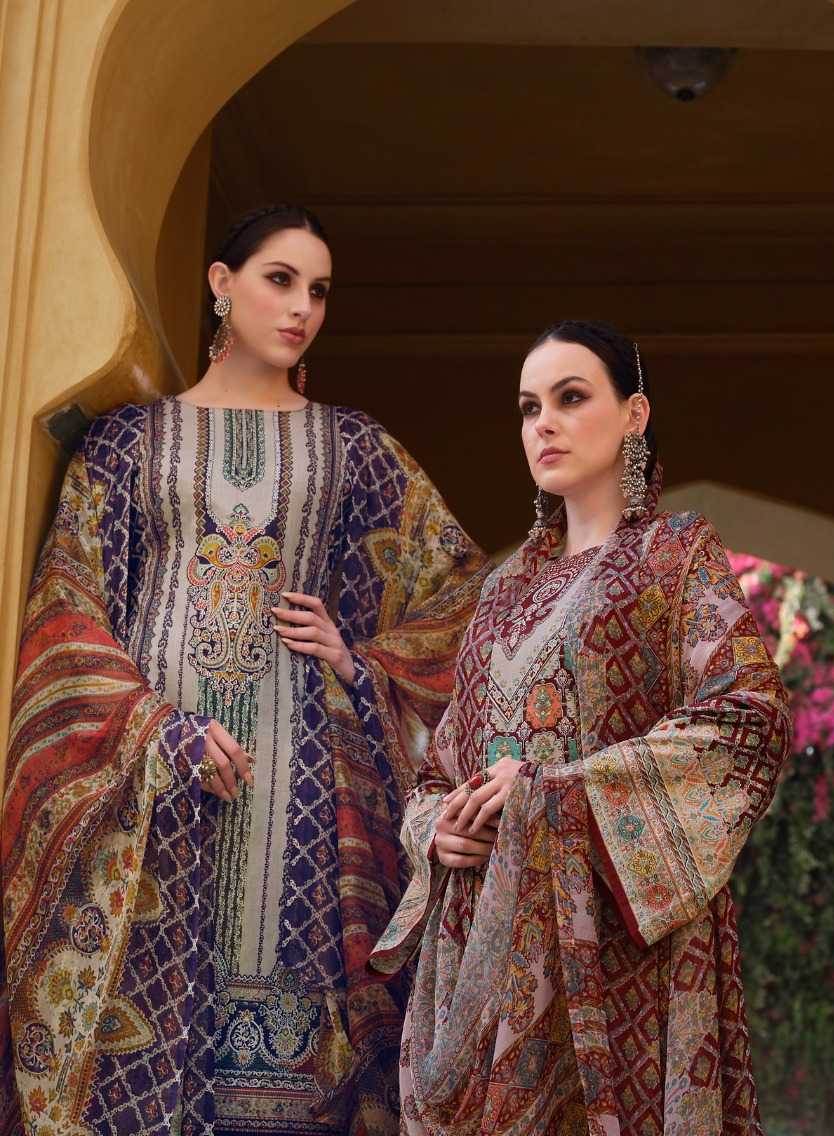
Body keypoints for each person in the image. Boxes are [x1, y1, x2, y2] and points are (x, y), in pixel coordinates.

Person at [0, 204, 488, 1134]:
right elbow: (68, 601)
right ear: (221, 284)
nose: (303, 307)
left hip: (300, 799)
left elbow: (464, 595)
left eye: (320, 291)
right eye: (280, 280)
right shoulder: (128, 441)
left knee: (285, 1077)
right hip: (146, 781)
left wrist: (361, 661)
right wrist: (156, 730)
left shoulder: (355, 449)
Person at [370, 320, 793, 1134]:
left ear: (635, 414)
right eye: (530, 407)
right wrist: (439, 830)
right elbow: (439, 770)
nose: (545, 425)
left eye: (571, 398)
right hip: (485, 954)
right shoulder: (503, 592)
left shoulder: (674, 556)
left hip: (617, 954)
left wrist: (555, 794)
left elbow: (749, 717)